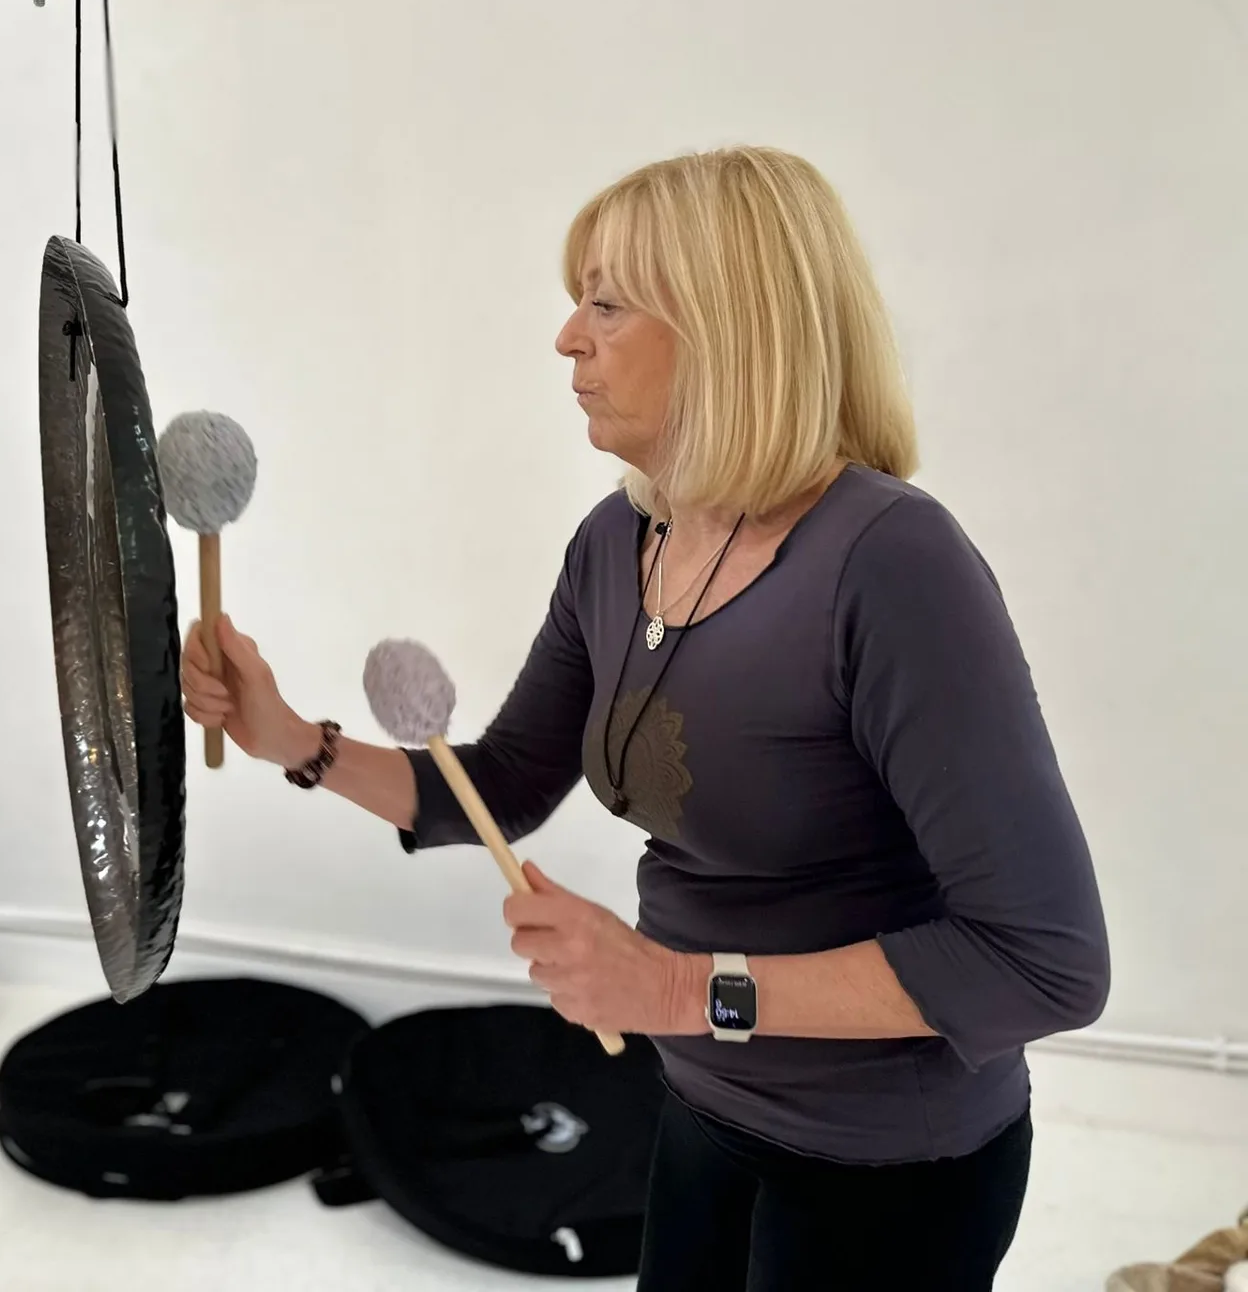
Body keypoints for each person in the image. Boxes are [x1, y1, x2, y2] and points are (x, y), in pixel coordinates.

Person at [179, 146, 1111, 1291]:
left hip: (892, 1162)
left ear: (729, 324)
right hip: (701, 1105)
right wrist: (291, 741)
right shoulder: (620, 544)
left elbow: (1044, 962)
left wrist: (675, 989)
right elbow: (506, 782)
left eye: (606, 304)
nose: (567, 338)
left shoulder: (891, 562)